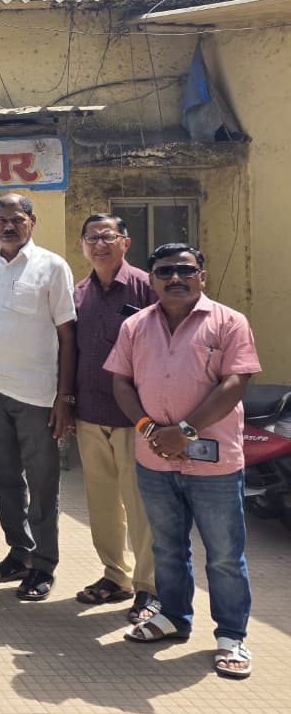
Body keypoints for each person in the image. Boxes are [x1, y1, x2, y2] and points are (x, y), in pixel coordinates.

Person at [107, 243, 260, 680]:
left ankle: (231, 635)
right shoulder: (135, 325)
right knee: (167, 547)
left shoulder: (229, 322)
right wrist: (147, 429)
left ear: (201, 276)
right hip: (154, 459)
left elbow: (235, 383)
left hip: (215, 464)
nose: (175, 278)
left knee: (224, 554)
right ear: (151, 279)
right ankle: (173, 616)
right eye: (164, 271)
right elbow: (121, 383)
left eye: (185, 270)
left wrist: (185, 432)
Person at [0, 193, 76, 601]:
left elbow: (67, 335)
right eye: (2, 220)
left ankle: (44, 564)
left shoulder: (52, 266)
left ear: (32, 221)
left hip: (36, 394)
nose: (9, 226)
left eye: (17, 219)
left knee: (43, 481)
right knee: (3, 480)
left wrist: (64, 397)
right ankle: (19, 552)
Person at [72, 213, 159, 622]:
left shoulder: (146, 288)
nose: (99, 244)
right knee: (102, 502)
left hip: (134, 419)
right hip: (90, 414)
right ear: (83, 245)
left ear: (125, 242)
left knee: (140, 506)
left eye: (108, 236)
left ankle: (149, 587)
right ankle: (115, 576)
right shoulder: (80, 293)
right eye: (92, 238)